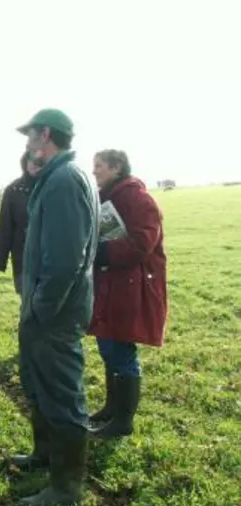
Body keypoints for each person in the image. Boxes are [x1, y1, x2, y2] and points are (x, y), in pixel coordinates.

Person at [12, 109, 100, 506]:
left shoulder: (65, 179)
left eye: (30, 134)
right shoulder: (57, 175)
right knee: (40, 385)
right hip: (46, 310)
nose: (27, 141)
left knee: (62, 395)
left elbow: (65, 260)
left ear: (45, 133)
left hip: (55, 314)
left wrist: (41, 309)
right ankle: (44, 455)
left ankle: (65, 488)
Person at [88, 150, 167, 439]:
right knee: (108, 347)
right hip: (109, 285)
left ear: (117, 167)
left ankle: (123, 421)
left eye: (99, 166)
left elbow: (142, 243)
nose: (93, 171)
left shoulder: (138, 198)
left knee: (121, 350)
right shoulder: (103, 196)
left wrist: (100, 252)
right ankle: (111, 408)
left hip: (130, 288)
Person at [0, 153, 41, 295]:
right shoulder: (13, 190)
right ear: (25, 163)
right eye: (31, 160)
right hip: (22, 259)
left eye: (38, 161)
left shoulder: (53, 186)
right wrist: (0, 260)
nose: (34, 164)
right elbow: (4, 227)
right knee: (27, 303)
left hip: (48, 260)